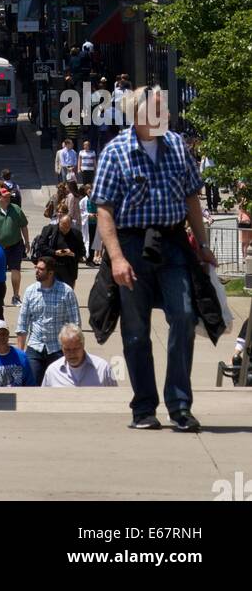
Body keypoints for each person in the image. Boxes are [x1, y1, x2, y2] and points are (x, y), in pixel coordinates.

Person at [92, 84, 218, 432]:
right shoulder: (116, 151)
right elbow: (103, 209)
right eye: (159, 109)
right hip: (132, 247)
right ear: (139, 114)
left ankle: (179, 405)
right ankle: (144, 408)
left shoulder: (177, 146)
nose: (167, 115)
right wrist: (116, 258)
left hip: (174, 242)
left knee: (184, 316)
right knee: (135, 331)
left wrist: (203, 245)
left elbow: (193, 197)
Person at [16, 255, 82, 385]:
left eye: (41, 269)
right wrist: (20, 355)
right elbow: (22, 324)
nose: (36, 271)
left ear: (50, 273)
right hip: (35, 347)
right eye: (36, 268)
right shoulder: (30, 291)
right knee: (31, 386)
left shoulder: (66, 292)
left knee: (59, 387)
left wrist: (74, 351)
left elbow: (75, 324)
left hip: (57, 349)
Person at [0, 188, 30, 305]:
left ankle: (16, 296)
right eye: (5, 196)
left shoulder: (16, 209)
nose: (8, 198)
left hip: (15, 245)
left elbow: (23, 226)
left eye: (9, 196)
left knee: (15, 269)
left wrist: (27, 242)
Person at [42, 324, 118, 388]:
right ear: (61, 348)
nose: (72, 354)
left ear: (83, 345)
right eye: (67, 349)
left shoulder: (102, 368)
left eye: (76, 349)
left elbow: (115, 398)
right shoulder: (52, 372)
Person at [34, 207, 85, 288]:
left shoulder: (76, 234)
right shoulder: (49, 230)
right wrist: (55, 252)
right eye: (63, 227)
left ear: (70, 224)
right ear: (59, 223)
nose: (65, 229)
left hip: (69, 270)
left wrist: (72, 254)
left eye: (68, 227)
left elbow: (82, 251)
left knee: (67, 293)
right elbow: (41, 246)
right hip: (52, 268)